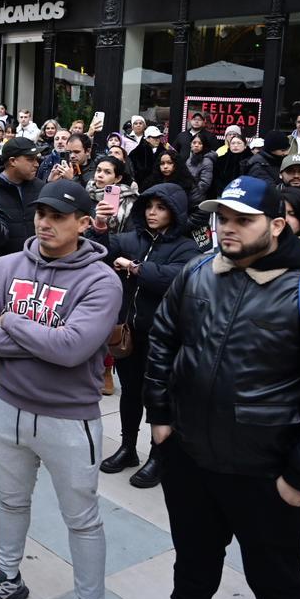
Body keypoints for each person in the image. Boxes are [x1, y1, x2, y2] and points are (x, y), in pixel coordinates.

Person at [146, 175, 300, 599]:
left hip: (265, 477)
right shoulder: (198, 271)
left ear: (277, 225)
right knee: (191, 575)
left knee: (276, 585)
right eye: (223, 218)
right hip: (190, 463)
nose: (228, 228)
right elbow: (163, 340)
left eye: (243, 220)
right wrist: (160, 417)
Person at [0, 179, 120, 599]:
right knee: (11, 502)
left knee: (82, 520)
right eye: (41, 214)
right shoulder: (4, 267)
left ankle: (90, 598)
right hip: (8, 410)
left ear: (84, 223)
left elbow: (72, 349)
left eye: (58, 216)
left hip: (69, 420)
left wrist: (10, 321)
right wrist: (46, 339)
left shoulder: (102, 281)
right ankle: (8, 578)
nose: (45, 223)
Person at [90, 183, 200, 489]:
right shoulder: (132, 237)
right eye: (149, 206)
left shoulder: (186, 247)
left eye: (161, 207)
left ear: (174, 213)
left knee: (157, 396)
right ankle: (127, 448)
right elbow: (98, 252)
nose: (152, 213)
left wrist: (136, 268)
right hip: (129, 332)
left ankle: (157, 455)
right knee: (131, 392)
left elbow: (175, 277)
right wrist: (99, 227)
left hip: (163, 336)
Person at [0, 138, 46, 255]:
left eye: (36, 159)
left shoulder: (40, 187)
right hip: (2, 265)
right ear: (13, 161)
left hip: (36, 261)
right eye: (30, 159)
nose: (36, 164)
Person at [85, 155, 137, 234]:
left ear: (117, 178)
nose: (100, 175)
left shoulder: (128, 200)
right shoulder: (86, 193)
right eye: (98, 170)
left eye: (107, 172)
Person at [210, 132, 250, 198]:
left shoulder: (251, 160)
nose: (235, 145)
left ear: (245, 146)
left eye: (239, 143)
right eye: (233, 143)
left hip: (243, 195)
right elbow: (216, 178)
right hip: (223, 194)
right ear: (229, 145)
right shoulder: (221, 159)